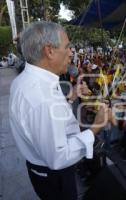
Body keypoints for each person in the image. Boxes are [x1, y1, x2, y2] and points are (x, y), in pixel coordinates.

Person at [9, 21, 115, 200]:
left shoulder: (28, 80)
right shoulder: (42, 96)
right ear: (49, 51)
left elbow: (48, 119)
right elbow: (58, 157)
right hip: (54, 176)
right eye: (67, 47)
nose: (71, 52)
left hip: (43, 171)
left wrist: (69, 99)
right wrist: (95, 127)